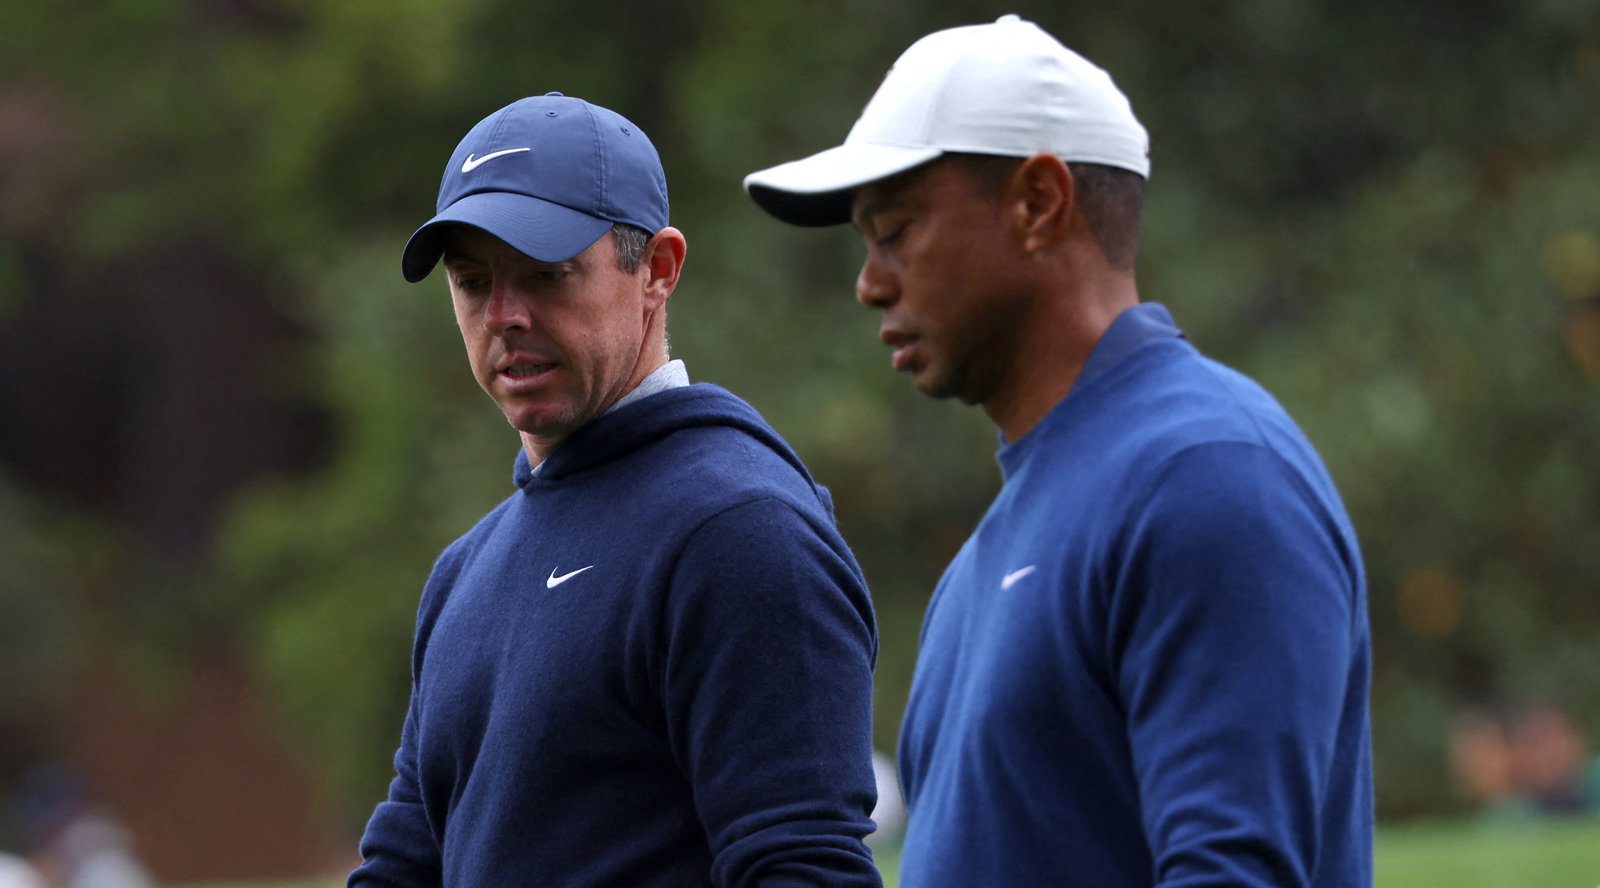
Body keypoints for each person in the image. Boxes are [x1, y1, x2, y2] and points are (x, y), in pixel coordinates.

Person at [744, 15, 1373, 887]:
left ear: (1039, 204)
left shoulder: (1210, 472)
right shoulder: (982, 562)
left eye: (893, 231)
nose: (869, 282)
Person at [349, 92, 882, 888]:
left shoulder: (739, 529)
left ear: (658, 271)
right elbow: (402, 865)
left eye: (546, 274)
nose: (504, 315)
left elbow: (804, 868)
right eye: (471, 281)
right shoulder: (466, 570)